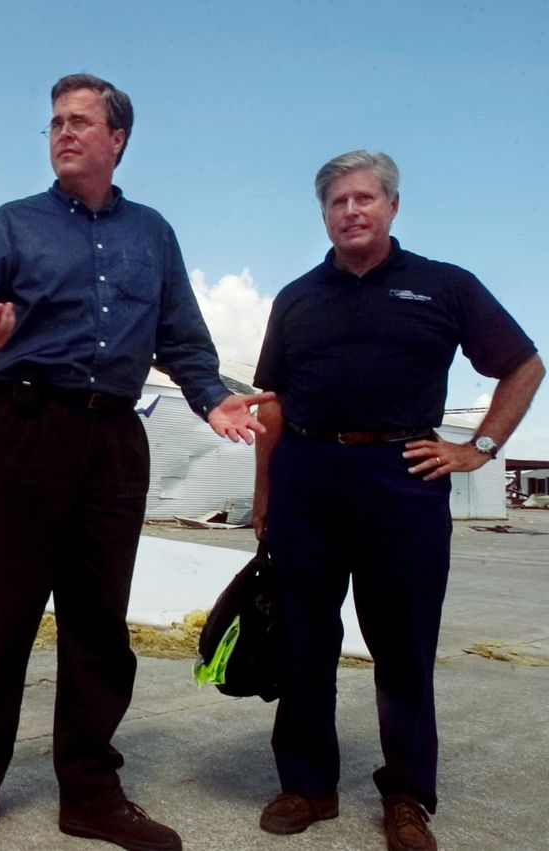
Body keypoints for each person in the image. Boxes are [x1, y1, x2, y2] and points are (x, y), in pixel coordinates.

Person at [0, 73, 273, 851]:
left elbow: (183, 338)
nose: (64, 133)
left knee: (98, 623)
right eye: (55, 121)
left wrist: (212, 397)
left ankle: (89, 790)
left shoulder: (152, 234)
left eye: (81, 122)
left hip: (113, 440)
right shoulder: (13, 225)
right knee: (1, 618)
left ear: (117, 139)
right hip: (21, 427)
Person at [251, 150, 543, 851]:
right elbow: (273, 403)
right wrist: (265, 492)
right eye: (336, 203)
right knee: (305, 640)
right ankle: (308, 784)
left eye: (363, 199)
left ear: (391, 207)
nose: (350, 212)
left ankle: (408, 794)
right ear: (323, 215)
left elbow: (524, 364)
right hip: (308, 479)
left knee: (403, 647)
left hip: (402, 477)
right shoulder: (296, 296)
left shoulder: (444, 287)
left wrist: (481, 447)